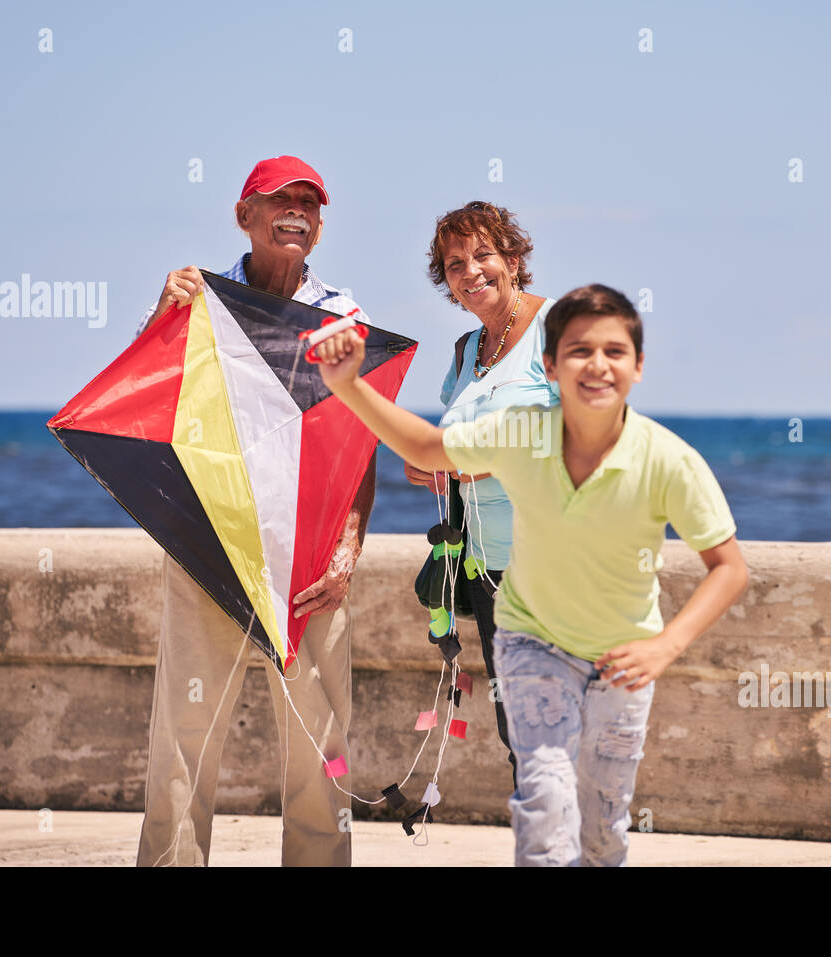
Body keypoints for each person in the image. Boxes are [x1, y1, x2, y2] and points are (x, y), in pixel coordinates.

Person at [311, 283, 749, 867]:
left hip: (624, 659)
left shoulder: (667, 460)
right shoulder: (521, 432)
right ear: (550, 363)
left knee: (603, 824)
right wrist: (348, 385)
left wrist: (666, 646)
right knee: (543, 802)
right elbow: (427, 445)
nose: (597, 365)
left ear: (638, 366)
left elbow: (729, 569)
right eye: (578, 351)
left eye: (615, 352)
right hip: (532, 647)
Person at [134, 155, 374, 867]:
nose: (297, 211)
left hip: (308, 561)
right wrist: (161, 313)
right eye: (280, 200)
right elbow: (142, 399)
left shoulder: (344, 315)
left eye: (311, 202)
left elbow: (359, 447)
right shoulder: (199, 299)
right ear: (245, 216)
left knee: (320, 751)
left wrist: (347, 552)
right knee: (181, 740)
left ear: (321, 225)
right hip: (209, 544)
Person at [407, 201, 558, 787]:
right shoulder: (468, 350)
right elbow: (451, 444)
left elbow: (594, 438)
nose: (471, 272)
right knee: (517, 729)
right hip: (488, 569)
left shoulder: (560, 329)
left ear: (514, 259)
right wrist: (428, 465)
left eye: (484, 255)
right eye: (454, 264)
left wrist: (486, 467)